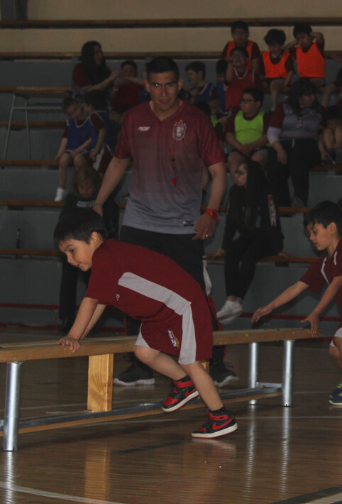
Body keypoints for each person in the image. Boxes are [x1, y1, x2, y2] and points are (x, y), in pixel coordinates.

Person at [92, 56, 236, 388]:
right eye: (156, 84)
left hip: (184, 225)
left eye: (169, 84)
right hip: (139, 221)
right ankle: (141, 366)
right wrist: (99, 202)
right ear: (146, 86)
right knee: (127, 290)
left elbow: (218, 173)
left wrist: (211, 212)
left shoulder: (197, 120)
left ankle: (213, 362)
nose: (163, 91)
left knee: (195, 295)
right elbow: (117, 163)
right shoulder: (133, 118)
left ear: (180, 84)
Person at [55, 211, 237, 438]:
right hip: (160, 315)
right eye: (66, 255)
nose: (70, 260)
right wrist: (78, 337)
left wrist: (72, 334)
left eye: (72, 251)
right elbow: (99, 303)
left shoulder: (106, 257)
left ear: (93, 239)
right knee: (144, 352)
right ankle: (185, 383)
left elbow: (90, 302)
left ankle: (221, 416)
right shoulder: (108, 261)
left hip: (183, 306)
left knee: (191, 362)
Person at [253, 202, 342, 406]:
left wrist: (316, 312)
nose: (311, 238)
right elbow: (298, 286)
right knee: (335, 349)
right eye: (309, 234)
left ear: (332, 228)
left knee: (341, 339)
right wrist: (270, 306)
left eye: (314, 232)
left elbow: (335, 285)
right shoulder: (324, 263)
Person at [215, 160, 283, 324]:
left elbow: (272, 222)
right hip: (247, 236)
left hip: (265, 237)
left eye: (241, 172)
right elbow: (230, 223)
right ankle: (230, 300)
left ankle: (239, 300)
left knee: (249, 256)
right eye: (236, 172)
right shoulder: (235, 192)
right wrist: (224, 247)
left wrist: (278, 248)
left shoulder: (265, 193)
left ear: (251, 175)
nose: (236, 176)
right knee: (231, 253)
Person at [57, 167, 119, 333]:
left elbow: (111, 229)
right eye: (82, 187)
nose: (85, 191)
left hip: (96, 252)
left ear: (96, 186)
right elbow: (62, 226)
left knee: (94, 287)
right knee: (68, 283)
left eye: (89, 187)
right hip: (78, 250)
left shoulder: (106, 202)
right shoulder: (71, 200)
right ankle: (67, 317)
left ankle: (86, 324)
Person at [266, 79, 324, 208]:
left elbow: (331, 124)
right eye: (308, 95)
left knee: (298, 155)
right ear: (299, 96)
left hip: (308, 145)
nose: (313, 98)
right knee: (275, 158)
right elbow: (271, 132)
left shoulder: (318, 109)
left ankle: (300, 198)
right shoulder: (283, 107)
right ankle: (281, 204)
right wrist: (279, 150)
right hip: (284, 143)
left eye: (313, 94)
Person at [53, 98, 96, 201]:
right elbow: (65, 138)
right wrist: (60, 153)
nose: (75, 114)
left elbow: (92, 139)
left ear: (80, 105)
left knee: (78, 160)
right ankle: (61, 188)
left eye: (76, 110)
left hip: (85, 150)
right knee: (63, 160)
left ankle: (80, 188)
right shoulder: (70, 122)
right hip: (71, 149)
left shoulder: (90, 120)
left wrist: (78, 150)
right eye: (71, 114)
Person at [225, 88, 270, 173]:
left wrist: (250, 146)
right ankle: (239, 186)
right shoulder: (235, 116)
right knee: (233, 160)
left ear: (257, 104)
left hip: (259, 149)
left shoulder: (265, 117)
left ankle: (253, 185)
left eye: (247, 101)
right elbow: (229, 134)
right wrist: (240, 147)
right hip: (239, 149)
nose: (243, 104)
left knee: (258, 159)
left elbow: (266, 137)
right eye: (242, 100)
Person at [82, 91, 116, 175]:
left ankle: (98, 188)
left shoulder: (95, 116)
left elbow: (102, 131)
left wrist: (97, 149)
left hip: (103, 149)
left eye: (85, 105)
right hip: (110, 148)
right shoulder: (105, 114)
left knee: (98, 173)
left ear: (90, 106)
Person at [261, 29, 294, 109]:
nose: (271, 48)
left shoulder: (286, 56)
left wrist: (286, 83)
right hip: (269, 78)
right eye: (270, 45)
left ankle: (273, 107)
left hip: (282, 78)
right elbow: (261, 72)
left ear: (281, 45)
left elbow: (290, 71)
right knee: (259, 85)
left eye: (274, 45)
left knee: (273, 84)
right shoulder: (265, 55)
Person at [224, 48, 264, 113]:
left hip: (249, 111)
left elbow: (260, 93)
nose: (237, 58)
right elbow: (229, 80)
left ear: (247, 60)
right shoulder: (229, 72)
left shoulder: (253, 74)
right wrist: (230, 64)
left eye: (240, 55)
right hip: (232, 110)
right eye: (234, 56)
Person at [288, 23, 326, 87]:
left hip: (317, 79)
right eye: (299, 39)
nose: (301, 41)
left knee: (308, 84)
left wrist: (310, 33)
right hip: (303, 79)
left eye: (303, 37)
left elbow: (320, 36)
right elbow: (285, 50)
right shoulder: (297, 50)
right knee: (296, 85)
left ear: (310, 37)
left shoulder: (317, 47)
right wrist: (296, 41)